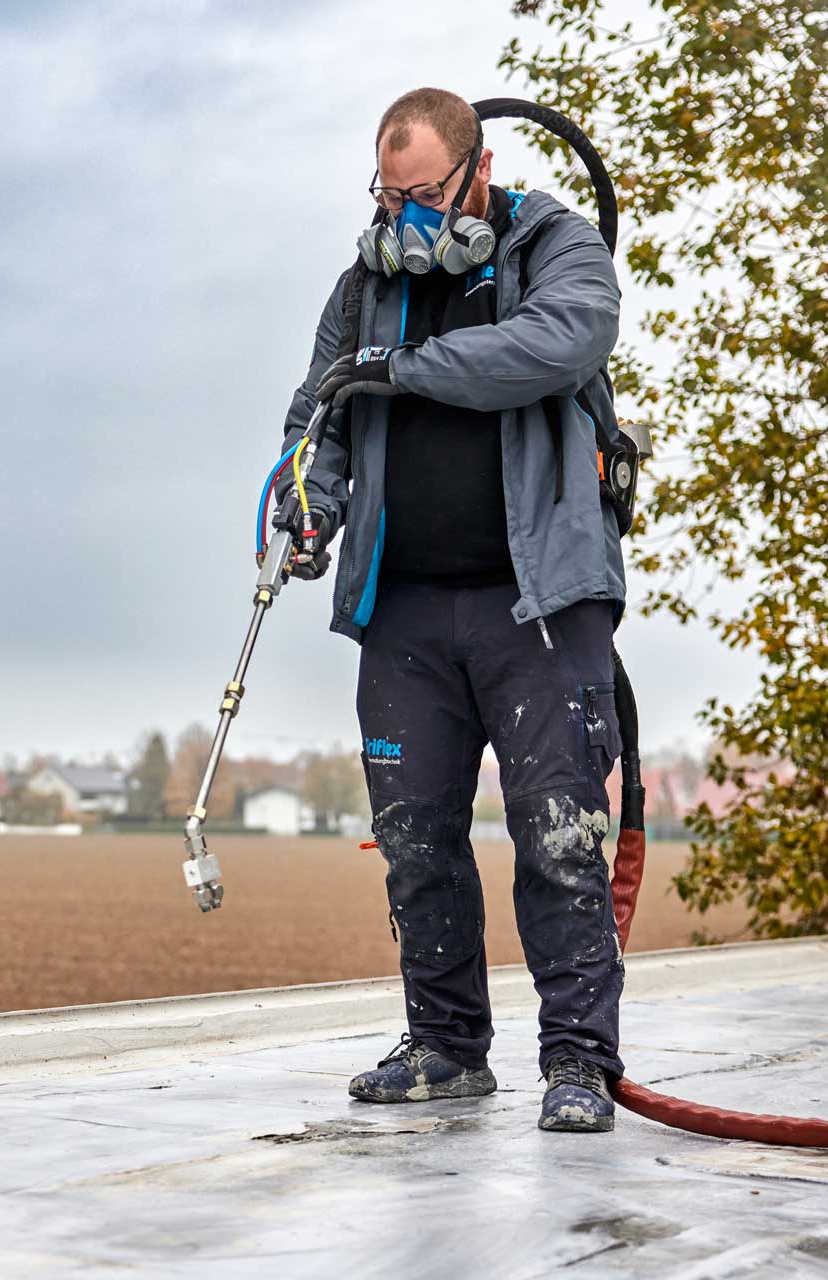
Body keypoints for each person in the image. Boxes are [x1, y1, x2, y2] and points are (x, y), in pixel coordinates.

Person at [276, 87, 626, 1133]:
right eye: (389, 197)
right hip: (406, 612)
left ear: (479, 171)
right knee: (415, 839)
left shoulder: (555, 248)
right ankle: (445, 1045)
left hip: (539, 603)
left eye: (425, 194)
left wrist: (403, 369)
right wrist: (306, 500)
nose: (406, 216)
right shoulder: (365, 287)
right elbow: (319, 413)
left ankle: (578, 1060)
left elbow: (558, 345)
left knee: (558, 835)